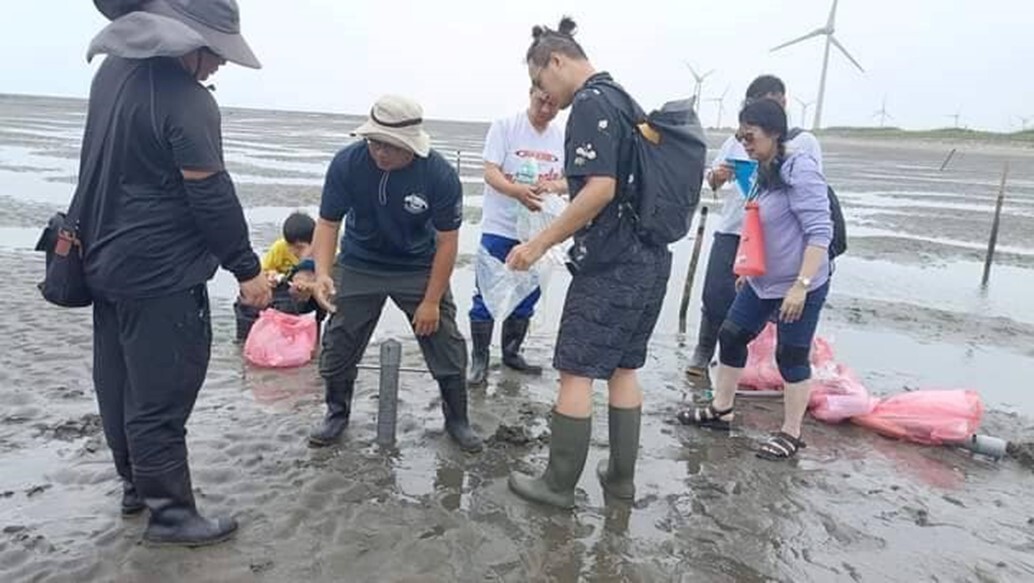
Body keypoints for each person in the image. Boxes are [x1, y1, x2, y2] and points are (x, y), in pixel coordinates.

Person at [82, 0, 270, 547]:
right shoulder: (187, 101)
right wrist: (247, 269)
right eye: (214, 51)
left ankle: (135, 487)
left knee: (116, 383)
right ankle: (170, 513)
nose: (220, 64)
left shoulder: (113, 74)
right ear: (185, 42)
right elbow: (211, 196)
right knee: (161, 395)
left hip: (104, 260)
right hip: (161, 274)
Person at [505, 17, 672, 509]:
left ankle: (557, 485)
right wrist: (564, 187)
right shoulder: (624, 101)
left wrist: (539, 245)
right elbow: (620, 181)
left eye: (540, 81)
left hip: (611, 264)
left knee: (575, 371)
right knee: (623, 369)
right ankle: (620, 480)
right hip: (651, 260)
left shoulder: (591, 104)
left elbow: (602, 189)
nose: (544, 94)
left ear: (556, 61)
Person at [307, 95, 483, 453]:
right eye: (374, 143)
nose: (380, 153)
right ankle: (336, 413)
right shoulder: (347, 164)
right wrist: (322, 272)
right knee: (339, 339)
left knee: (445, 341)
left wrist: (432, 300)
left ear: (412, 145)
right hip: (359, 261)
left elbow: (448, 242)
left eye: (390, 146)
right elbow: (327, 224)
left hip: (417, 265)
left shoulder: (438, 175)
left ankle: (457, 420)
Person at [676, 99, 833, 461]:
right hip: (763, 280)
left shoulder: (800, 170)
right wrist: (748, 269)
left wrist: (801, 286)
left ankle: (791, 432)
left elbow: (819, 233)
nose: (744, 143)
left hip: (801, 281)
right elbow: (759, 224)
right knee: (731, 334)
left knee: (791, 354)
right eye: (740, 137)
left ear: (774, 133)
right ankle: (721, 410)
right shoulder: (763, 168)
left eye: (750, 136)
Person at [687, 75, 823, 378]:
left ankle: (764, 365)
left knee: (772, 304)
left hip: (773, 236)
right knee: (716, 295)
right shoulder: (739, 138)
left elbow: (812, 201)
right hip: (736, 227)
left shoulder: (801, 145)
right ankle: (707, 352)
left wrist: (802, 283)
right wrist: (718, 176)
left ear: (782, 104)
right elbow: (713, 177)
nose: (747, 142)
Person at [468, 87, 567, 386]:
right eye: (542, 101)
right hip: (500, 226)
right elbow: (491, 172)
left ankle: (511, 352)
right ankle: (480, 359)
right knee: (486, 292)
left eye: (554, 105)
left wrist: (553, 187)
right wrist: (516, 192)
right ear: (532, 92)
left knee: (527, 294)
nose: (546, 109)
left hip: (538, 232)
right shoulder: (505, 127)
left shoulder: (561, 137)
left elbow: (571, 181)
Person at [234, 211, 326, 342]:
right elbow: (263, 271)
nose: (297, 252)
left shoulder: (323, 251)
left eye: (302, 248)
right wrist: (271, 275)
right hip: (283, 290)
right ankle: (246, 339)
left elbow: (331, 278)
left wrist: (309, 284)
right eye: (293, 247)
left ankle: (312, 340)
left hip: (310, 296)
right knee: (248, 300)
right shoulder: (279, 248)